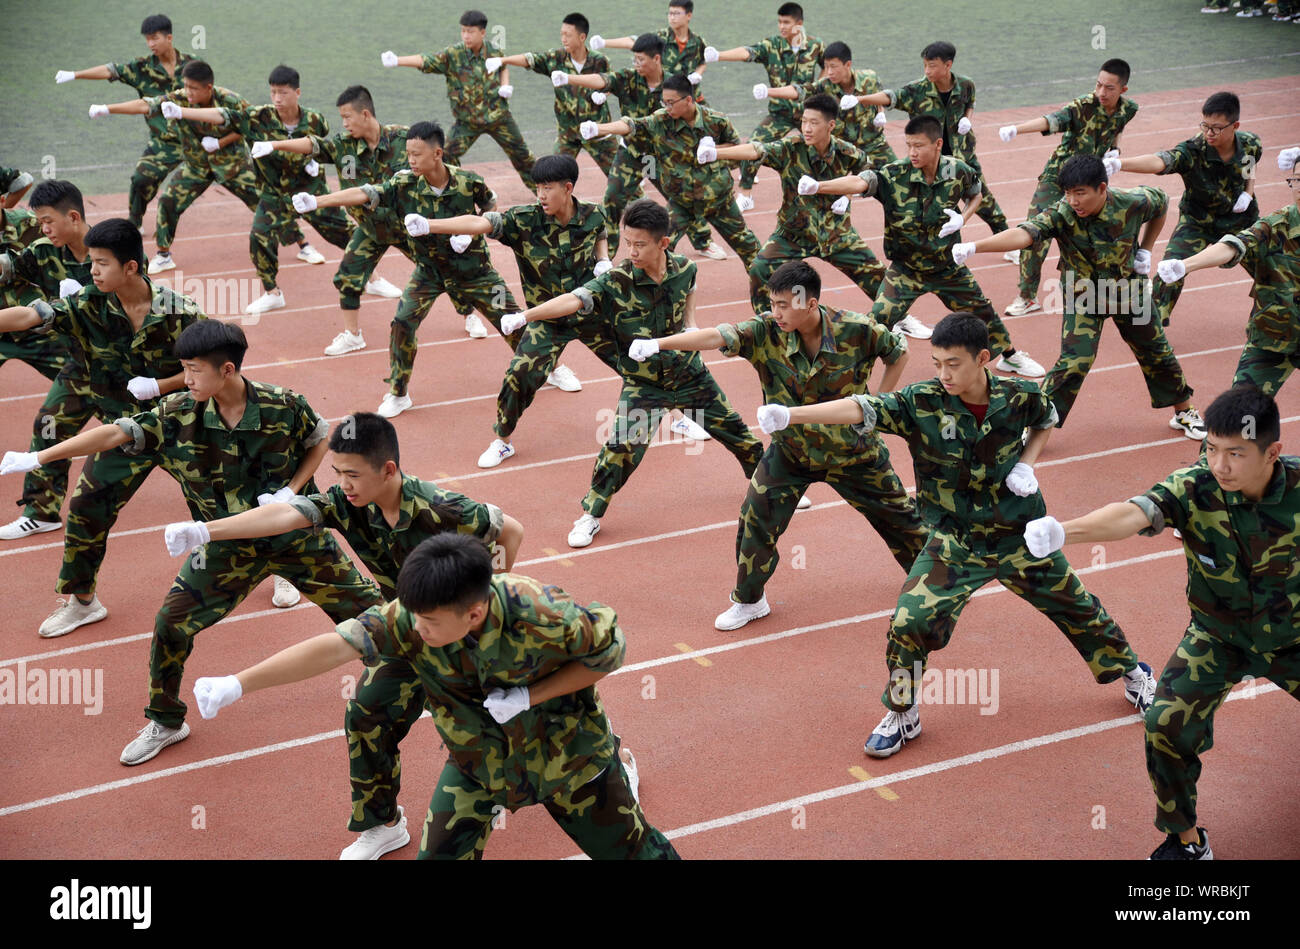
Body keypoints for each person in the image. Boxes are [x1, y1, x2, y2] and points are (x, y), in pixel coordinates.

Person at [760, 312, 1157, 757]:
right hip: (955, 542)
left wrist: (1027, 462)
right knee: (910, 622)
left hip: (1020, 535)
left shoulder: (1020, 394)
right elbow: (861, 406)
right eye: (936, 364)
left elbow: (1047, 417)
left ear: (984, 359)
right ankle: (903, 713)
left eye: (954, 364)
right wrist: (791, 415)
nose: (944, 374)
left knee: (1080, 610)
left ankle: (1134, 675)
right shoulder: (921, 402)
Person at [3, 320, 384, 764]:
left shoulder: (284, 405)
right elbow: (115, 432)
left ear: (226, 369)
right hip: (223, 548)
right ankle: (166, 721)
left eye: (193, 369)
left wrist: (294, 488)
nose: (185, 379)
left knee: (377, 619)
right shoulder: (178, 413)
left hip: (299, 539)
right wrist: (39, 456)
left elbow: (320, 437)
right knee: (170, 625)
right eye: (183, 368)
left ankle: (421, 683)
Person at [160, 411, 529, 859]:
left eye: (353, 474)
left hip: (471, 636)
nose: (343, 483)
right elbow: (283, 516)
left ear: (388, 470)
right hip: (409, 629)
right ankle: (383, 824)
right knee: (367, 715)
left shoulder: (440, 507)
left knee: (517, 717)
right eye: (337, 472)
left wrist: (491, 592)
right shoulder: (346, 503)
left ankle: (604, 763)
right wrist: (205, 531)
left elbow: (511, 530)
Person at [191, 532, 679, 860]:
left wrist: (532, 694)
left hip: (569, 758)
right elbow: (334, 647)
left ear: (473, 612)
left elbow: (608, 653)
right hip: (478, 760)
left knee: (635, 855)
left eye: (429, 623)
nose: (416, 629)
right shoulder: (411, 617)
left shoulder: (541, 613)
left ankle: (619, 764)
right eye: (413, 617)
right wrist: (239, 683)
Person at [1024, 386, 1300, 859]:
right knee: (1165, 724)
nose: (1220, 465)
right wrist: (1065, 532)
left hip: (1294, 637)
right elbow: (1132, 515)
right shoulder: (1194, 487)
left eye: (1236, 453)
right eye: (1212, 449)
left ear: (1272, 452)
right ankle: (1187, 842)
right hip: (1219, 637)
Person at [631, 259, 928, 629]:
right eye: (773, 303)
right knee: (755, 520)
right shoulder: (766, 332)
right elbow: (716, 336)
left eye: (785, 304)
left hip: (854, 453)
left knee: (905, 523)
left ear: (811, 302)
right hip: (791, 454)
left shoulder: (858, 330)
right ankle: (750, 600)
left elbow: (898, 352)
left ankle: (933, 588)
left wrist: (878, 406)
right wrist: (658, 343)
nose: (776, 312)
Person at [499, 199, 763, 548]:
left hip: (689, 375)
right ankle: (590, 515)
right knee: (620, 449)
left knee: (738, 433)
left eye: (640, 244)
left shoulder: (685, 269)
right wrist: (526, 317)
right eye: (627, 243)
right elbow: (574, 300)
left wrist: (685, 331)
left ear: (663, 243)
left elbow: (690, 306)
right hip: (645, 385)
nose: (632, 251)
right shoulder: (617, 279)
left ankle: (768, 485)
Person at [0, 218, 203, 637]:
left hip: (184, 426)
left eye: (100, 263)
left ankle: (278, 564)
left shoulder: (179, 312)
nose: (91, 271)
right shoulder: (88, 304)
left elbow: (214, 369)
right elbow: (30, 315)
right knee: (86, 507)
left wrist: (161, 386)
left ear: (130, 266)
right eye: (90, 261)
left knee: (229, 502)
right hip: (126, 432)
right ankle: (82, 602)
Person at [952, 154, 1206, 438]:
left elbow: (1161, 203)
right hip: (1084, 296)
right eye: (1068, 193)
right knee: (1074, 362)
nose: (1073, 201)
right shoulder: (1062, 213)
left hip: (1127, 291)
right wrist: (975, 247)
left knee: (1156, 350)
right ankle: (1036, 423)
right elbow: (1025, 235)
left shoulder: (1132, 201)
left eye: (1080, 193)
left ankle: (1184, 411)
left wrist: (1146, 248)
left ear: (1102, 188)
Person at [293, 121, 524, 419]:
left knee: (512, 319)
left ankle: (549, 368)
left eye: (416, 154)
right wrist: (317, 201)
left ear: (437, 153)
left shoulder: (468, 182)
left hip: (474, 271)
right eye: (408, 154)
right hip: (428, 273)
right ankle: (398, 393)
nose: (410, 160)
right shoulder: (403, 184)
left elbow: (490, 204)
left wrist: (472, 230)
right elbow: (365, 192)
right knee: (402, 323)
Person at [405, 154, 616, 468]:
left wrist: (602, 259)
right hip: (547, 319)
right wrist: (430, 225)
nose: (540, 195)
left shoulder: (593, 214)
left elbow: (601, 234)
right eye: (537, 188)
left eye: (548, 188)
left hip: (590, 311)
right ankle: (503, 441)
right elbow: (482, 222)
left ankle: (677, 414)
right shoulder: (524, 219)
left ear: (568, 188)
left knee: (641, 357)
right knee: (519, 375)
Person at [795, 115, 1045, 373]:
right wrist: (819, 187)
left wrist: (964, 217)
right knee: (878, 320)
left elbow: (976, 193)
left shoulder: (956, 170)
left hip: (947, 267)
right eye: (908, 145)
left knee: (983, 312)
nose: (912, 152)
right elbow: (861, 181)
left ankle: (1010, 356)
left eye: (919, 146)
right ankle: (851, 372)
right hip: (906, 270)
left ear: (938, 144)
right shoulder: (895, 174)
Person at [90, 59, 309, 278]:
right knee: (168, 201)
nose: (188, 91)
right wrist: (107, 109)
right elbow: (145, 104)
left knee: (266, 201)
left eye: (193, 88)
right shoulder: (179, 99)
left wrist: (220, 143)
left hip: (232, 166)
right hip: (197, 167)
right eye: (186, 86)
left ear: (208, 88)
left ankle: (303, 244)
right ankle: (164, 255)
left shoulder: (230, 100)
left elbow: (250, 125)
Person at [164, 64, 353, 315]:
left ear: (297, 92)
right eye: (273, 92)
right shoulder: (259, 117)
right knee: (259, 237)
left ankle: (369, 277)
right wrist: (182, 111)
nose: (277, 99)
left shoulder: (315, 119)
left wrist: (311, 161)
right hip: (275, 193)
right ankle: (272, 293)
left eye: (283, 93)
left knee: (345, 234)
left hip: (310, 191)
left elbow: (321, 143)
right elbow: (224, 115)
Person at [250, 85, 416, 355]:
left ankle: (468, 314)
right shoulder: (344, 146)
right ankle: (353, 336)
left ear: (365, 114)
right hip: (372, 229)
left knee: (441, 270)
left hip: (408, 226)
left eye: (347, 117)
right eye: (341, 118)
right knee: (347, 278)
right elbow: (314, 144)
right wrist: (274, 145)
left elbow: (437, 164)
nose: (344, 123)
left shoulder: (403, 139)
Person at [697, 93, 885, 315]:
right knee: (760, 268)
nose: (806, 128)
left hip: (837, 233)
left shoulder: (848, 153)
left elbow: (867, 176)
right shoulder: (791, 148)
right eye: (804, 121)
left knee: (879, 278)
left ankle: (898, 319)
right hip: (793, 235)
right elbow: (757, 150)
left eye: (814, 123)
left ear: (830, 125)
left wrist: (847, 196)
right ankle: (767, 321)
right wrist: (716, 153)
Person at [580, 74, 762, 278]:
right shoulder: (661, 120)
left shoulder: (715, 121)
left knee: (752, 252)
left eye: (671, 102)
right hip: (681, 203)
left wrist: (715, 150)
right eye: (663, 102)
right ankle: (654, 296)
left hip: (718, 200)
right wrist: (599, 128)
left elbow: (739, 152)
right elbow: (632, 125)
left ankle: (774, 294)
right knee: (656, 249)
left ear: (688, 100)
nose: (667, 107)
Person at [996, 59, 1139, 316]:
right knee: (1035, 235)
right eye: (1098, 85)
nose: (1102, 93)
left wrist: (1116, 149)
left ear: (1123, 90)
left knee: (1095, 232)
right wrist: (1017, 129)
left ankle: (1100, 291)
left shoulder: (1128, 109)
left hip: (1091, 181)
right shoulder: (1083, 106)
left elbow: (1118, 127)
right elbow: (1051, 120)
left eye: (1109, 88)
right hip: (1058, 178)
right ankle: (1027, 297)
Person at [843, 40, 1012, 254]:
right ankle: (933, 249)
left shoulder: (965, 85)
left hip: (962, 158)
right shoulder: (918, 90)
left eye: (932, 66)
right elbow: (890, 97)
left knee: (984, 201)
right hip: (932, 163)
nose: (927, 71)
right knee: (930, 207)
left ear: (948, 65)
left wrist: (968, 118)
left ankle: (1007, 241)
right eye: (925, 65)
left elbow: (970, 102)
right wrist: (860, 99)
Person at [561, 33, 720, 258]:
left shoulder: (674, 84)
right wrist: (569, 78)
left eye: (640, 60)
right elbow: (603, 80)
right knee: (612, 202)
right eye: (634, 59)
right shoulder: (628, 78)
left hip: (663, 155)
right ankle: (604, 257)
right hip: (631, 153)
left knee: (682, 199)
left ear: (656, 59)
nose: (636, 64)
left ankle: (703, 241)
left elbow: (695, 110)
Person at [1112, 91, 1260, 327]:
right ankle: (1153, 322)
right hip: (1197, 221)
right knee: (1171, 268)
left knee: (1272, 270)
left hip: (1241, 221)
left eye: (1216, 128)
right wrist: (1120, 164)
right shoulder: (1193, 150)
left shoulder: (1251, 143)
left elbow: (1250, 165)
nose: (1209, 133)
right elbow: (1162, 160)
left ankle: (1269, 321)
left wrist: (1248, 193)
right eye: (1205, 125)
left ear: (1235, 125)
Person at [0, 181, 94, 541]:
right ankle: (41, 511)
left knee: (170, 436)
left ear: (73, 216)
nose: (43, 229)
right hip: (79, 364)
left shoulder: (111, 247)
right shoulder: (43, 251)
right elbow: (11, 266)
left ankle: (244, 508)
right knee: (49, 425)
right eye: (39, 222)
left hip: (124, 369)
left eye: (48, 221)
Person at [1156, 164, 1300, 397]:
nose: (1299, 189)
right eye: (1296, 180)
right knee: (1241, 416)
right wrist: (1185, 265)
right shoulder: (1276, 226)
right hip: (1274, 338)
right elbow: (1233, 245)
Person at [53, 14, 194, 229]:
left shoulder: (192, 65)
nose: (150, 44)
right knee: (141, 180)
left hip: (196, 137)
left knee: (233, 172)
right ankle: (134, 223)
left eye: (155, 38)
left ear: (169, 37)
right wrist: (75, 75)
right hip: (165, 142)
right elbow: (111, 70)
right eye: (147, 39)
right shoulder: (142, 68)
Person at [381, 10, 537, 190]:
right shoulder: (453, 55)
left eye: (470, 32)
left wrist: (505, 85)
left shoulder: (494, 51)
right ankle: (454, 194)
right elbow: (426, 60)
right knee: (443, 156)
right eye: (463, 31)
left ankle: (545, 196)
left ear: (482, 33)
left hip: (499, 118)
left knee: (524, 157)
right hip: (466, 123)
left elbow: (503, 66)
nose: (466, 36)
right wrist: (397, 60)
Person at [703, 3, 825, 211]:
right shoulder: (772, 45)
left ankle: (835, 190)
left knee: (827, 147)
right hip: (780, 114)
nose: (782, 27)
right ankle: (746, 195)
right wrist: (720, 55)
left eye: (786, 22)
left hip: (808, 113)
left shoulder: (815, 45)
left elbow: (827, 67)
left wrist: (818, 88)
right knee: (753, 145)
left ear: (799, 24)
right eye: (779, 22)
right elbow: (748, 52)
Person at [488, 13, 619, 177]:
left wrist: (604, 94)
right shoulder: (555, 58)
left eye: (568, 35)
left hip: (597, 131)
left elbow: (612, 83)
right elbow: (531, 59)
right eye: (562, 34)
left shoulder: (600, 61)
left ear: (582, 37)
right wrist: (503, 61)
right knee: (552, 178)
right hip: (568, 134)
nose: (563, 39)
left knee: (620, 180)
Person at [759, 40, 895, 168]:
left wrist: (880, 113)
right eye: (826, 67)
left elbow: (881, 96)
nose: (829, 72)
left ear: (848, 65)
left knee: (897, 178)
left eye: (833, 67)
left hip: (873, 143)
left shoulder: (869, 78)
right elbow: (800, 90)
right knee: (829, 187)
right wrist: (768, 91)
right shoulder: (824, 86)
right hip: (842, 151)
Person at [591, 1, 714, 105]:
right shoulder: (660, 37)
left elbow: (702, 61)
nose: (672, 17)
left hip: (691, 97)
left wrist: (697, 74)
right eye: (670, 13)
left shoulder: (698, 42)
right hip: (665, 98)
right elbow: (634, 42)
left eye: (677, 13)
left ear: (689, 15)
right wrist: (604, 42)